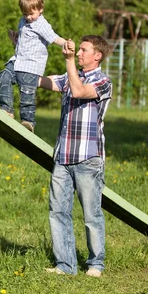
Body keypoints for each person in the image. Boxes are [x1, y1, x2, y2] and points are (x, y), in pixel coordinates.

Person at [38, 35, 112, 277]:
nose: (79, 53)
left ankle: (95, 264)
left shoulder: (103, 81)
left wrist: (69, 60)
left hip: (88, 158)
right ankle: (66, 265)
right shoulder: (72, 76)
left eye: (83, 50)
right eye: (78, 50)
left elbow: (79, 92)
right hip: (63, 156)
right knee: (58, 211)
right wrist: (23, 67)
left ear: (97, 55)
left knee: (91, 214)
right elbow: (47, 82)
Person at [0, 0, 66, 132]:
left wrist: (66, 44)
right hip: (17, 61)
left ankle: (28, 122)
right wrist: (15, 39)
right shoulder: (23, 20)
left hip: (31, 66)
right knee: (3, 77)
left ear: (40, 9)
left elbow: (54, 38)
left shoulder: (41, 24)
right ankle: (6, 110)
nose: (28, 17)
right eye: (24, 14)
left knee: (27, 95)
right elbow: (25, 42)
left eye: (31, 14)